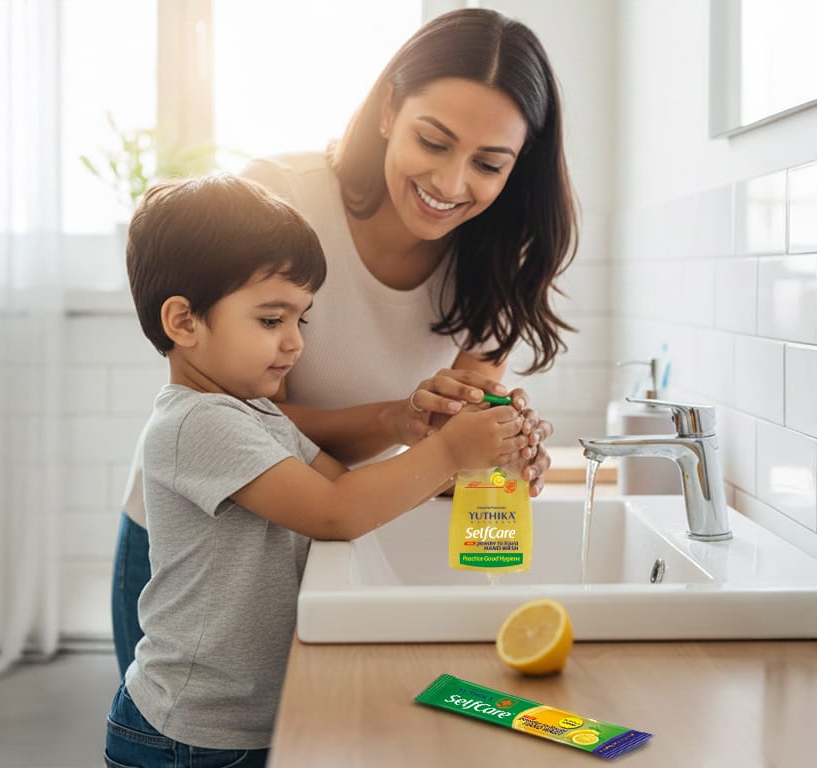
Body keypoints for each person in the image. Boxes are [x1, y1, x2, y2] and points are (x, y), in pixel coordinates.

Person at [111, 6, 579, 677]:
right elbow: (241, 419)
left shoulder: (502, 259)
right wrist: (411, 427)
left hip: (329, 527)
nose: (451, 184)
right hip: (205, 546)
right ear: (388, 110)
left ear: (519, 166)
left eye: (489, 163)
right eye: (435, 141)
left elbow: (449, 448)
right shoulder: (280, 200)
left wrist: (492, 455)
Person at [104, 173, 526, 767]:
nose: (296, 342)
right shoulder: (196, 424)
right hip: (192, 737)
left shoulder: (252, 413)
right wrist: (451, 453)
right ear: (183, 322)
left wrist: (454, 453)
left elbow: (343, 485)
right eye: (272, 321)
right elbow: (334, 513)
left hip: (244, 722)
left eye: (301, 320)